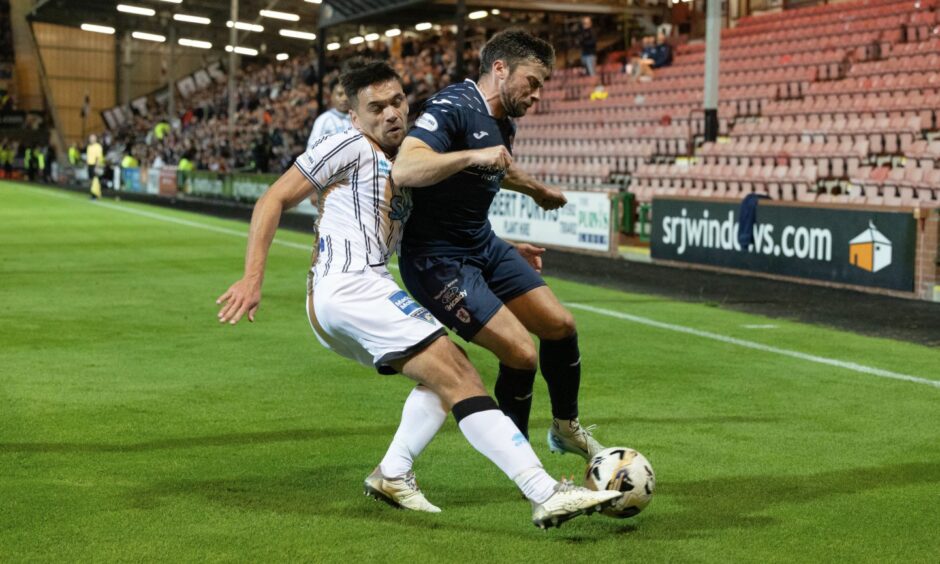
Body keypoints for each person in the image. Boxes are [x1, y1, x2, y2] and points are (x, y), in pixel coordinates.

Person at [214, 59, 620, 529]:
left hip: (357, 294)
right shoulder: (345, 144)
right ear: (354, 116)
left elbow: (435, 226)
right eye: (375, 108)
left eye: (397, 101)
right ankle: (545, 493)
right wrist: (252, 278)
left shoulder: (405, 165)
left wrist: (505, 246)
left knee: (440, 381)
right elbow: (273, 199)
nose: (390, 114)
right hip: (349, 287)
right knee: (461, 372)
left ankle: (392, 472)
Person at [390, 29, 605, 482]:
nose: (538, 94)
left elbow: (497, 163)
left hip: (483, 243)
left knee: (560, 326)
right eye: (533, 81)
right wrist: (471, 156)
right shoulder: (451, 107)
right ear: (501, 69)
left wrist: (535, 189)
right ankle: (525, 466)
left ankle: (565, 428)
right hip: (437, 260)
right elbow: (406, 168)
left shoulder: (503, 118)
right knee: (522, 355)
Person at [305, 77, 352, 151]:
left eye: (348, 94)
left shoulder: (359, 117)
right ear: (331, 96)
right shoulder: (324, 119)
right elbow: (312, 148)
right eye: (340, 94)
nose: (344, 98)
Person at [85, 134, 104, 199]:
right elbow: (88, 156)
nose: (91, 139)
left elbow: (98, 157)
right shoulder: (89, 147)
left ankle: (95, 194)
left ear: (95, 139)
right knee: (91, 180)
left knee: (95, 180)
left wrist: (97, 166)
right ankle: (94, 193)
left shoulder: (98, 147)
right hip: (90, 165)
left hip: (95, 165)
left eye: (92, 138)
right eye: (90, 138)